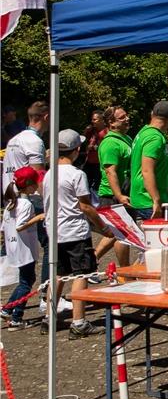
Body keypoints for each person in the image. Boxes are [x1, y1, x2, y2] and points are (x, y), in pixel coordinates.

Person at [47, 130, 111, 338]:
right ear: (76, 150)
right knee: (81, 273)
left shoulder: (49, 174)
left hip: (55, 230)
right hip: (75, 230)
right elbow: (85, 206)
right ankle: (79, 321)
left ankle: (49, 316)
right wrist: (102, 226)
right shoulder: (77, 174)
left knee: (57, 274)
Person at [4, 102, 50, 292]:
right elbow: (38, 175)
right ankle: (46, 295)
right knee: (50, 244)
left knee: (24, 249)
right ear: (46, 117)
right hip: (30, 200)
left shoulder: (14, 139)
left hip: (12, 197)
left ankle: (23, 289)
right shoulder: (34, 141)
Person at [92, 106, 135, 267]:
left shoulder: (126, 139)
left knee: (116, 233)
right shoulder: (110, 143)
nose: (127, 119)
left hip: (124, 193)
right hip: (112, 195)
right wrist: (119, 195)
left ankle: (93, 258)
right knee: (123, 234)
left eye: (126, 115)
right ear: (111, 123)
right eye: (122, 117)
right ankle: (125, 272)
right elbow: (111, 172)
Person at [2, 167, 43, 328]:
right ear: (29, 185)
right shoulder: (25, 203)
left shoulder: (11, 203)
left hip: (14, 247)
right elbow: (20, 226)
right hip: (24, 248)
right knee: (26, 281)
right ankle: (14, 314)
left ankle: (10, 310)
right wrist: (39, 217)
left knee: (26, 280)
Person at [130, 101, 168, 221]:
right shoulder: (154, 138)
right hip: (148, 200)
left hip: (143, 197)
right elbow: (147, 170)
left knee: (142, 237)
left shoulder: (143, 133)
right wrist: (156, 199)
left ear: (151, 114)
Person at [79, 110, 106, 189]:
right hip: (89, 162)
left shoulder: (106, 133)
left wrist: (94, 147)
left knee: (96, 187)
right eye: (92, 119)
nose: (92, 121)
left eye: (95, 119)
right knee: (85, 185)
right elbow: (84, 141)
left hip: (98, 164)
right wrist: (85, 132)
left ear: (102, 120)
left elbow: (105, 148)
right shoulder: (91, 131)